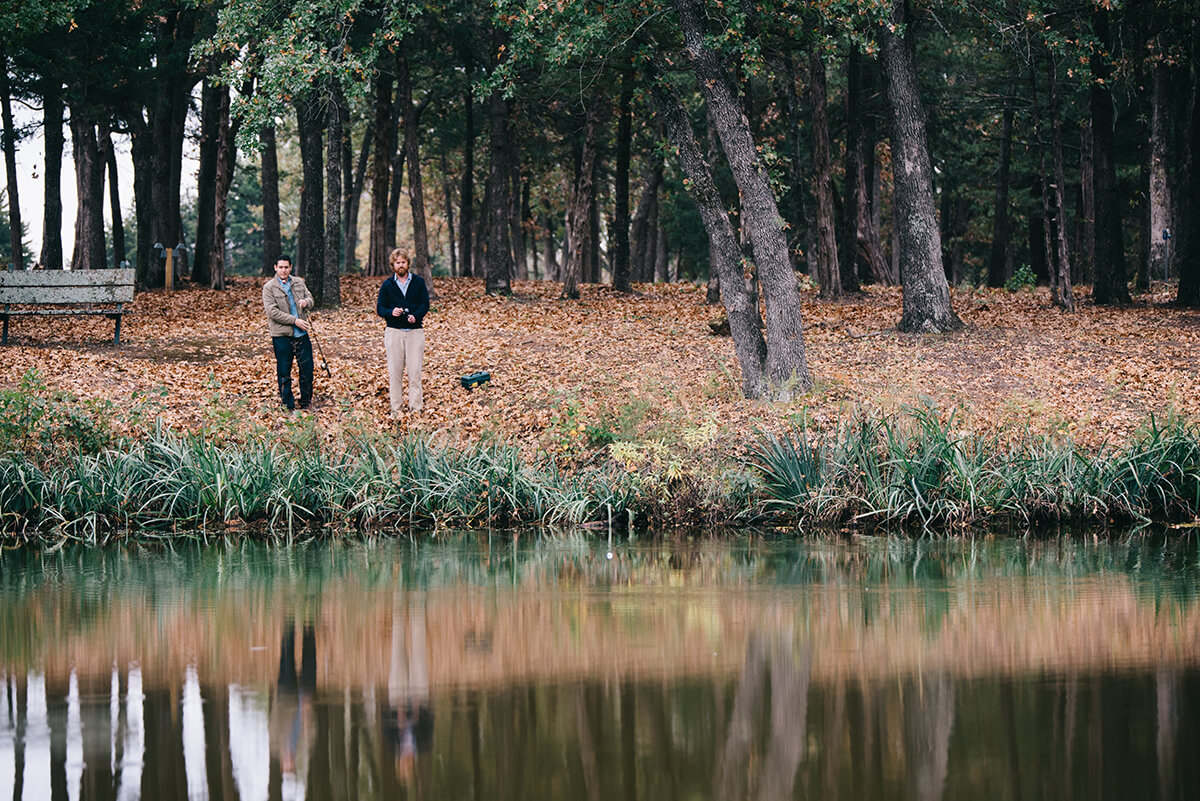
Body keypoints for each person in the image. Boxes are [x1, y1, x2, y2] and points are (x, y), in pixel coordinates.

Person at [376, 247, 429, 415]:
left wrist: (416, 316)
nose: (401, 265)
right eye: (397, 263)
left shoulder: (418, 282)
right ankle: (396, 410)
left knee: (414, 373)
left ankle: (416, 409)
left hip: (415, 332)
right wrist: (391, 312)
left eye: (403, 262)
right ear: (393, 265)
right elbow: (380, 308)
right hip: (394, 332)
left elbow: (425, 304)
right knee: (395, 373)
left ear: (408, 264)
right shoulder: (387, 285)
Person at [263, 256, 315, 413]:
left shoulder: (299, 282)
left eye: (286, 267)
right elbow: (272, 312)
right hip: (282, 335)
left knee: (307, 368)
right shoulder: (269, 287)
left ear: (291, 267)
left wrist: (306, 302)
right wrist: (294, 321)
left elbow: (311, 298)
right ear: (275, 268)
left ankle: (306, 401)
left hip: (301, 334)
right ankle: (288, 405)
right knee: (284, 370)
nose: (283, 270)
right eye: (281, 267)